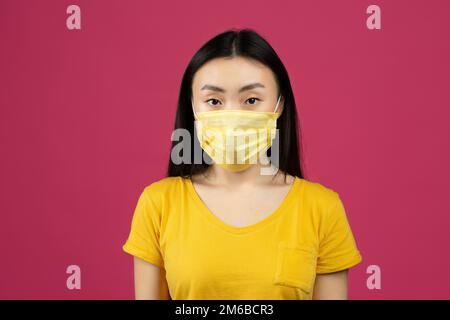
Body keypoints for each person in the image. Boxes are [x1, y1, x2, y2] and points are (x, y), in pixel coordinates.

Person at [122, 28, 362, 300]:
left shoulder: (322, 209)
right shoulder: (159, 204)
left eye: (251, 100)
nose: (232, 115)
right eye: (214, 101)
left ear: (279, 104)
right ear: (192, 106)